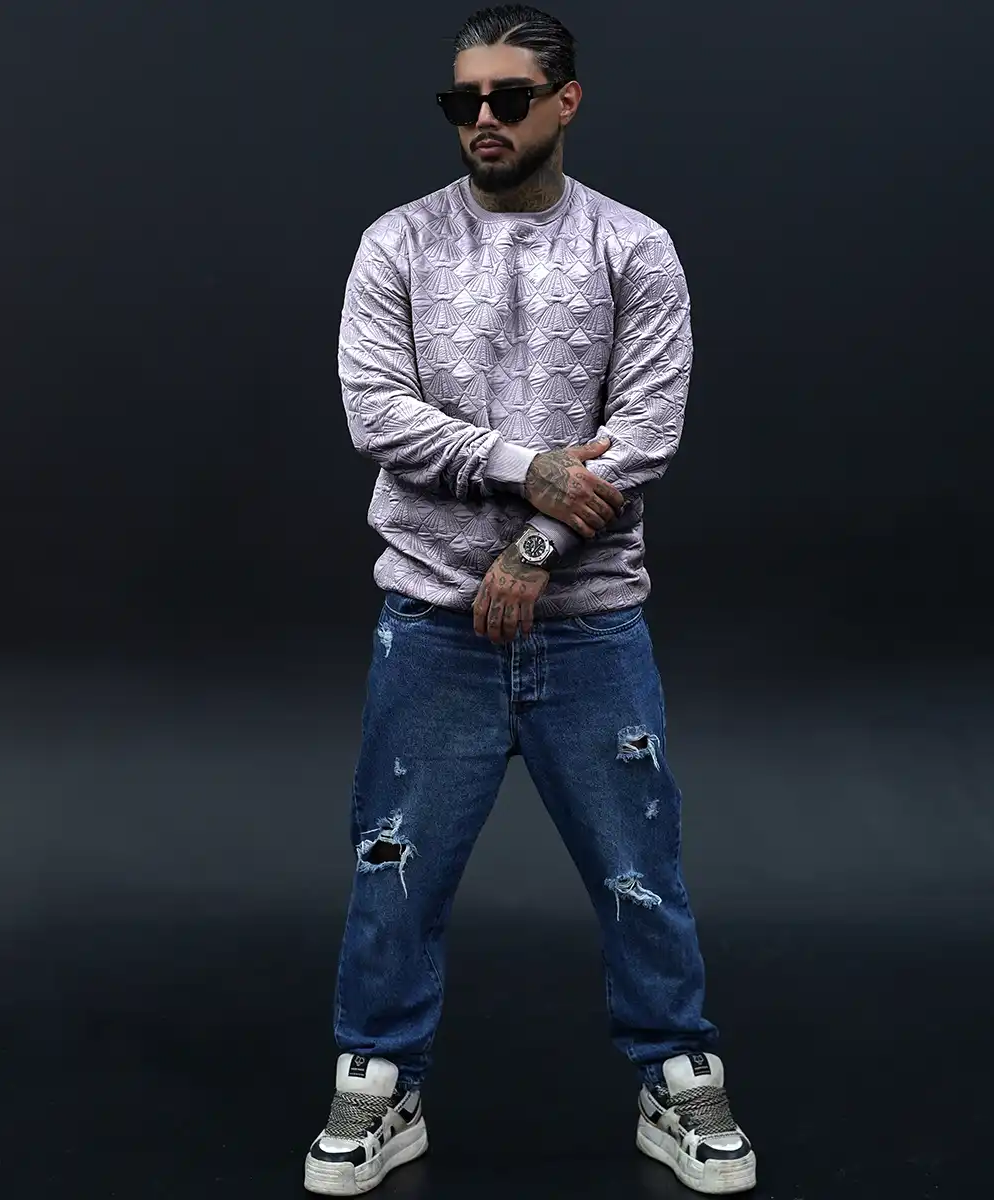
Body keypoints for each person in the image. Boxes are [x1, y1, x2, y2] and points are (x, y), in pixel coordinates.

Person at [303, 6, 755, 1195]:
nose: (484, 119)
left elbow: (646, 430)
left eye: (509, 97)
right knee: (394, 868)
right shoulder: (397, 243)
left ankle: (677, 1071)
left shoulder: (632, 247)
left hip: (590, 625)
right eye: (464, 102)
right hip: (432, 624)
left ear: (566, 101)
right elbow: (376, 413)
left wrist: (537, 549)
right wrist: (526, 467)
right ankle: (378, 1080)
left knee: (641, 868)